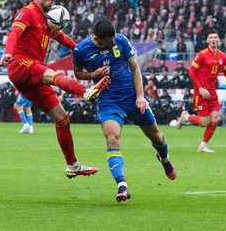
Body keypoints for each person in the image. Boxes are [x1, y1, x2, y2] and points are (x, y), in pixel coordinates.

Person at [0, 0, 110, 178]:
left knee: (62, 118)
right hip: (20, 64)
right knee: (52, 75)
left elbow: (62, 38)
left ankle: (72, 165)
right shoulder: (27, 12)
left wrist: (80, 50)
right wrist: (7, 53)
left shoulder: (49, 18)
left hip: (32, 72)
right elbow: (14, 34)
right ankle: (85, 91)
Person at [72, 19, 176, 202]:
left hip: (131, 96)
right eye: (109, 40)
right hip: (109, 100)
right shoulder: (81, 50)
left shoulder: (121, 40)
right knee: (112, 138)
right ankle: (122, 185)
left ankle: (165, 159)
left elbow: (135, 68)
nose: (113, 42)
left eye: (114, 38)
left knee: (156, 137)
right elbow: (77, 73)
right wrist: (92, 76)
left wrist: (140, 96)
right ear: (98, 38)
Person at [177, 30, 226, 153]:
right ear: (207, 41)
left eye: (215, 37)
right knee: (204, 122)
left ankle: (203, 146)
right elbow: (191, 72)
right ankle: (186, 116)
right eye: (211, 38)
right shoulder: (201, 55)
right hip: (200, 93)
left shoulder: (223, 56)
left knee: (215, 119)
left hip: (212, 92)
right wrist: (200, 88)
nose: (213, 40)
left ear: (218, 40)